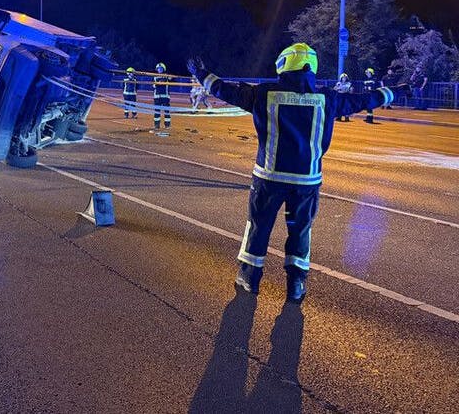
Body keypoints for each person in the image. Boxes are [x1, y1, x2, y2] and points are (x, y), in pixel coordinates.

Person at [187, 43, 406, 303]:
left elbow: (226, 91)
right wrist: (398, 91)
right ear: (311, 67)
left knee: (259, 226)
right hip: (307, 181)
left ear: (284, 65)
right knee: (300, 231)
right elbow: (366, 100)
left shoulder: (264, 94)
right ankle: (296, 284)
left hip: (269, 178)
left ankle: (249, 278)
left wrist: (202, 74)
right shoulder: (328, 99)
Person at [152, 63, 171, 132]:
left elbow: (172, 79)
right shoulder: (154, 77)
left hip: (165, 96)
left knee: (167, 111)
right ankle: (156, 125)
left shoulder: (167, 76)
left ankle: (167, 125)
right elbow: (154, 86)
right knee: (157, 111)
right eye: (158, 69)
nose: (159, 70)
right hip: (157, 97)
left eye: (161, 68)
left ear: (163, 69)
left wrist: (168, 78)